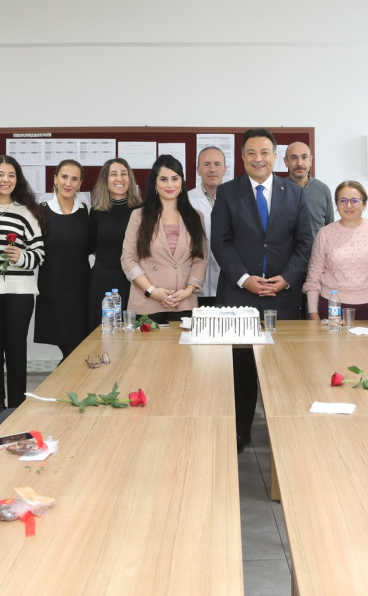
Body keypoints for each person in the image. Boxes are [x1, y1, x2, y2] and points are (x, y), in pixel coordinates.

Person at [211, 129, 313, 452]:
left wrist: (286, 278)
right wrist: (244, 278)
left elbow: (305, 243)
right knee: (240, 373)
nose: (258, 159)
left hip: (281, 298)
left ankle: (285, 439)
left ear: (274, 156)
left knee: (282, 372)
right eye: (251, 153)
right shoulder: (228, 193)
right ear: (242, 157)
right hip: (239, 298)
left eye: (264, 152)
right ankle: (239, 435)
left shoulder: (295, 194)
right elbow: (220, 243)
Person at [0, 155, 44, 411]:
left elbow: (39, 254)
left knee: (16, 353)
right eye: (0, 175)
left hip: (20, 292)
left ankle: (17, 409)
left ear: (18, 180)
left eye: (11, 175)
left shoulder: (26, 212)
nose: (6, 180)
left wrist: (21, 256)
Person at [121, 155, 207, 322]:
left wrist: (188, 291)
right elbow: (128, 259)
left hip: (183, 302)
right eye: (163, 179)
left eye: (175, 179)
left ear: (182, 182)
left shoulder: (196, 217)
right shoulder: (139, 216)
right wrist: (152, 291)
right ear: (155, 183)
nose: (169, 185)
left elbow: (200, 260)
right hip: (146, 301)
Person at [303, 181, 368, 322]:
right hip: (332, 307)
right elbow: (313, 277)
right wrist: (313, 312)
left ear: (364, 204)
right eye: (343, 200)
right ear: (336, 204)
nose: (348, 205)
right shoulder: (325, 233)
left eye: (355, 201)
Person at [35, 159, 91, 360]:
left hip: (81, 292)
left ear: (80, 183)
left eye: (74, 179)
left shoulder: (86, 210)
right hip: (53, 292)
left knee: (78, 350)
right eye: (64, 177)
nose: (68, 183)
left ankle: (64, 390)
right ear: (55, 179)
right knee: (72, 353)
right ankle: (66, 390)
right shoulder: (40, 211)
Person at [88, 157, 141, 329]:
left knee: (132, 334)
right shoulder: (96, 211)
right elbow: (91, 245)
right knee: (103, 335)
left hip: (135, 280)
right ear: (106, 179)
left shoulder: (142, 210)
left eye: (124, 174)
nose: (119, 179)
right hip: (104, 280)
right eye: (113, 174)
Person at [187, 146, 226, 306]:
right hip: (192, 285)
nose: (212, 169)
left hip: (227, 284)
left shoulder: (237, 200)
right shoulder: (186, 200)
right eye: (206, 164)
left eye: (217, 164)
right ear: (198, 169)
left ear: (224, 169)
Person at [285, 142, 335, 239]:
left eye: (304, 157)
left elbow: (330, 228)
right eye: (294, 158)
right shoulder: (277, 190)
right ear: (286, 162)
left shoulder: (323, 190)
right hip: (286, 253)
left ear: (310, 160)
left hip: (317, 252)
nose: (299, 163)